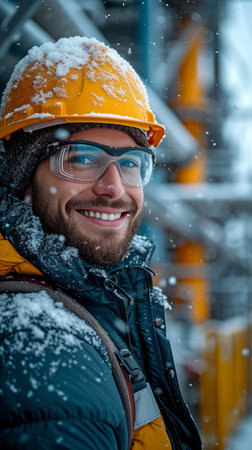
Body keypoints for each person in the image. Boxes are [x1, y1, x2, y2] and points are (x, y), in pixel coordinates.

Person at [0, 36, 202, 449]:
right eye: (82, 158)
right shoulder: (42, 351)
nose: (113, 187)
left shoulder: (97, 300)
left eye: (129, 163)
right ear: (22, 182)